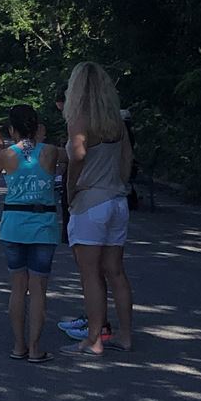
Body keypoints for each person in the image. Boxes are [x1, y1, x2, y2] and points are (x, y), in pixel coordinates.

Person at [64, 61, 134, 356]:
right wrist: (120, 183)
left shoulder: (79, 119)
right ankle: (125, 335)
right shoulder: (116, 121)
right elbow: (127, 157)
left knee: (90, 273)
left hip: (91, 201)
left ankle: (93, 339)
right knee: (115, 271)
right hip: (117, 199)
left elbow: (77, 155)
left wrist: (71, 190)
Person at [0, 105, 61, 362]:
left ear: (12, 129)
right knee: (38, 289)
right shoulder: (50, 152)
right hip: (43, 226)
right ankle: (36, 348)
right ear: (37, 127)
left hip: (14, 225)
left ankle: (19, 346)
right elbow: (75, 156)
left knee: (18, 287)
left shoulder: (6, 155)